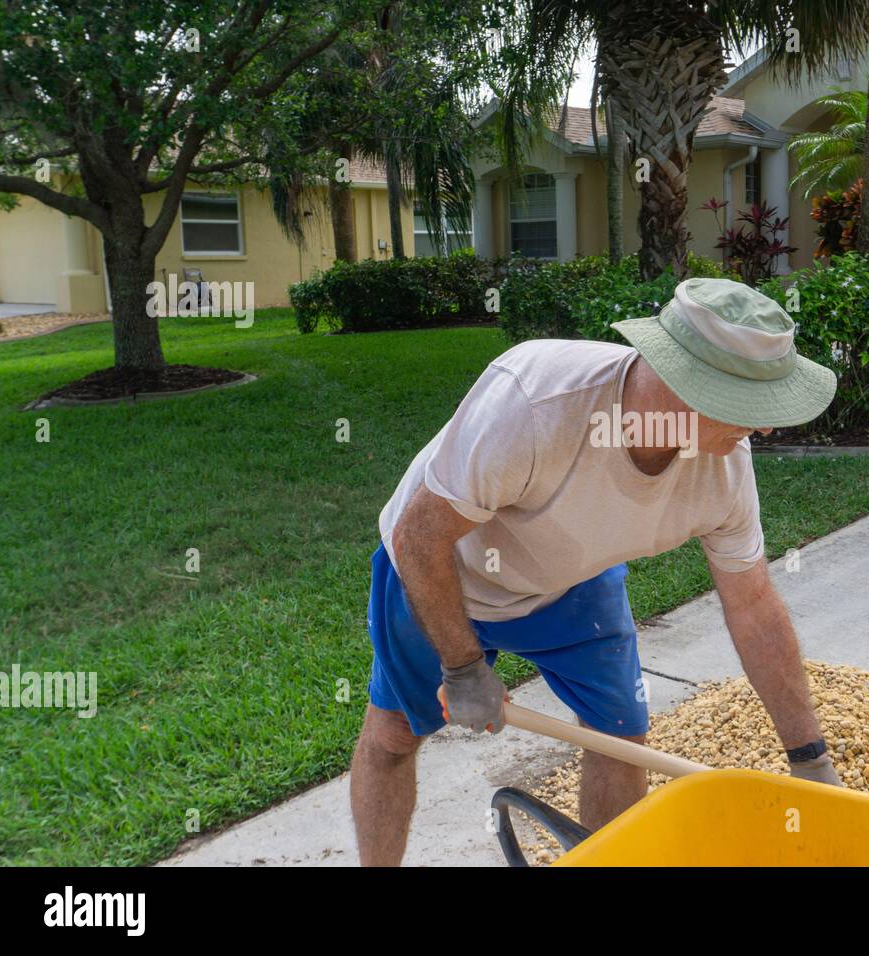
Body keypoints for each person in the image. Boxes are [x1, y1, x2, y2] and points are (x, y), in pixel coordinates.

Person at [350, 277, 840, 865]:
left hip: (572, 579)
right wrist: (461, 667)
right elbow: (419, 536)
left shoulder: (724, 468)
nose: (763, 429)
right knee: (394, 737)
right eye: (753, 409)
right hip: (445, 570)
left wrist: (808, 755)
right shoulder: (535, 403)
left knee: (621, 736)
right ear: (688, 388)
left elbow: (753, 604)